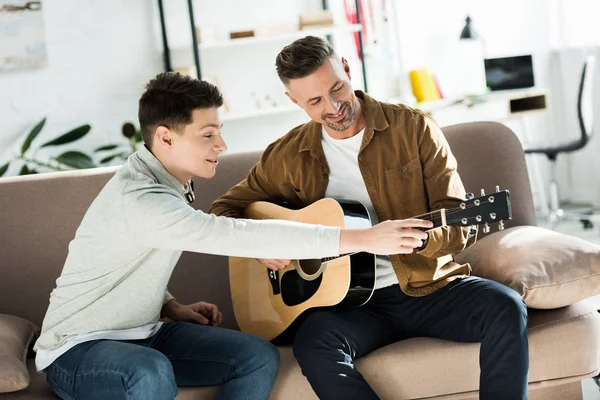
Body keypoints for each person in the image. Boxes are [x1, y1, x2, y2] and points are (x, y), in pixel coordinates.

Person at [33, 72, 431, 400]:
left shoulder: (165, 178)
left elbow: (124, 259)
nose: (222, 145)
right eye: (208, 135)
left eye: (219, 131)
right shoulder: (142, 198)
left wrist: (170, 306)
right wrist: (364, 239)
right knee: (148, 371)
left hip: (147, 333)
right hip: (76, 351)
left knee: (256, 355)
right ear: (165, 138)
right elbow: (236, 233)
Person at [210, 36, 529, 400]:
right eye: (314, 101)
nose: (333, 107)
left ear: (347, 68)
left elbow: (461, 222)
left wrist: (423, 238)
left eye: (337, 89)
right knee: (314, 344)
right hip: (348, 306)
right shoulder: (287, 155)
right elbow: (224, 210)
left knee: (506, 307)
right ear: (294, 102)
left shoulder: (413, 128)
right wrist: (259, 246)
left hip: (425, 287)